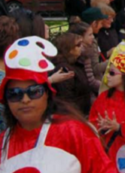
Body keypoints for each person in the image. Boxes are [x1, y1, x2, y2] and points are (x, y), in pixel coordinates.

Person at [0, 36, 116, 172]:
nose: (25, 100)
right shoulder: (3, 144)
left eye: (34, 91)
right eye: (15, 94)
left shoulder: (74, 132)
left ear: (47, 94)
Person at [52, 31, 93, 115]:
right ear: (68, 49)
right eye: (78, 45)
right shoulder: (63, 69)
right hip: (74, 115)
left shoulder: (76, 63)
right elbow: (66, 99)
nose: (82, 47)